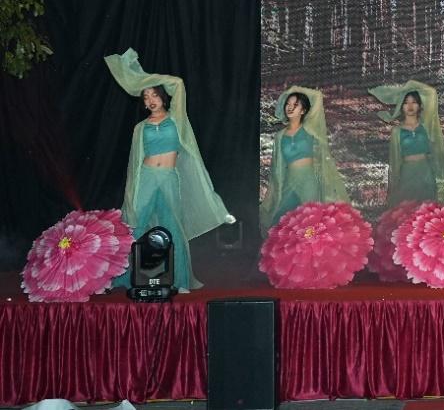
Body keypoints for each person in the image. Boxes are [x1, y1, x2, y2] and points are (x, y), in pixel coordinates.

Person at [104, 49, 234, 291]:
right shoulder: (140, 128)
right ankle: (124, 278)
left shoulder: (176, 119)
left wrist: (142, 77)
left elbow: (178, 83)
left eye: (154, 94)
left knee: (172, 225)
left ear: (163, 96)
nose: (150, 100)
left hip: (169, 177)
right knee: (137, 225)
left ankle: (179, 280)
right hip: (147, 177)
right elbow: (134, 166)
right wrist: (132, 194)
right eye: (145, 97)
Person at [369, 80, 444, 209]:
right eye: (406, 103)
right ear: (401, 106)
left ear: (419, 105)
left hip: (425, 174)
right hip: (407, 174)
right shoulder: (396, 131)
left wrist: (411, 84)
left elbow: (432, 92)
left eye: (414, 102)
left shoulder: (426, 125)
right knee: (407, 213)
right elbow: (394, 161)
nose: (410, 106)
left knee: (426, 212)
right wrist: (393, 186)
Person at [259, 86, 350, 234]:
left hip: (308, 180)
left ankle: (311, 255)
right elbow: (277, 167)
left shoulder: (309, 130)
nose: (290, 107)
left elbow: (318, 96)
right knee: (284, 221)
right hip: (289, 181)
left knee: (310, 220)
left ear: (303, 111)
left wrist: (294, 89)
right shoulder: (280, 136)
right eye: (288, 104)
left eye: (295, 105)